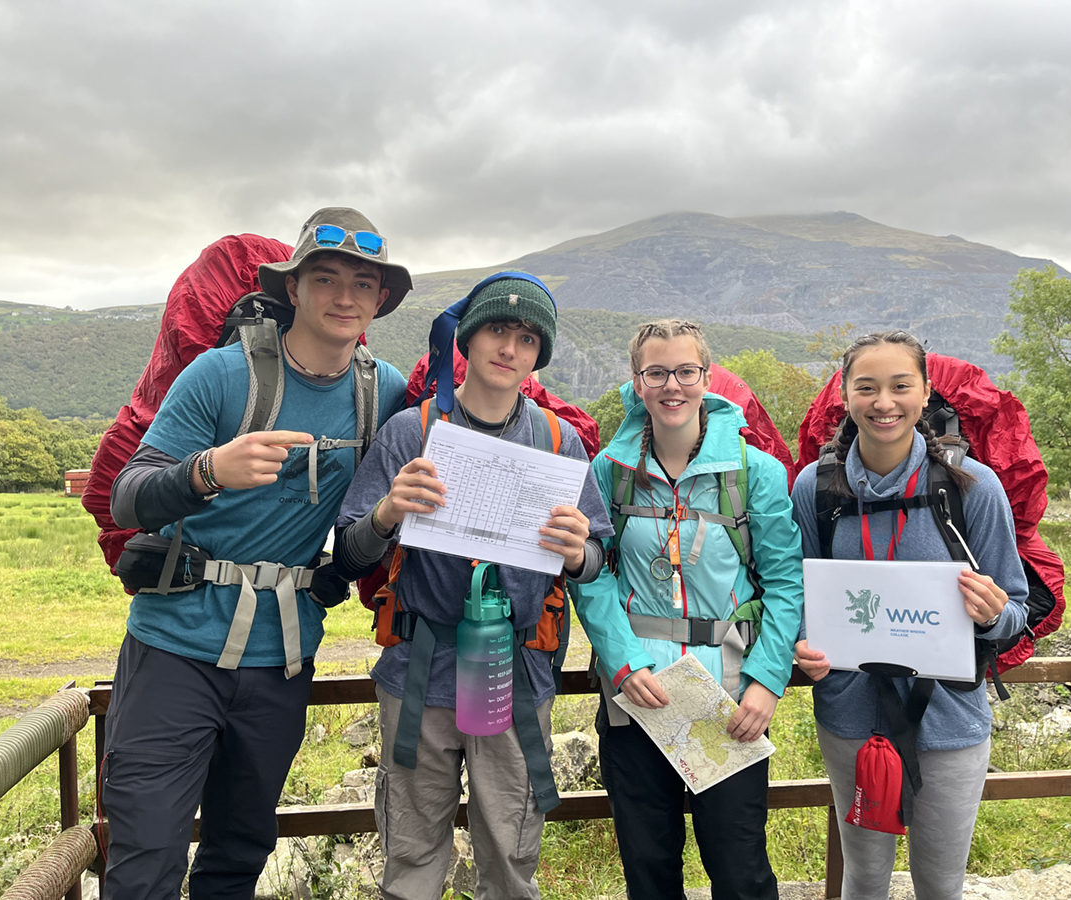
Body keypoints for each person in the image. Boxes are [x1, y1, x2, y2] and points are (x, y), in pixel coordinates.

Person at [103, 208, 411, 899]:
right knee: (145, 857)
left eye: (362, 285)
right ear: (292, 288)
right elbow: (128, 495)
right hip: (174, 652)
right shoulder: (221, 375)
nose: (342, 297)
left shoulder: (383, 393)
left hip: (280, 660)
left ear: (380, 301)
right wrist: (208, 471)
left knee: (239, 854)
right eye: (324, 278)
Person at [333, 272, 614, 900]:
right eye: (495, 329)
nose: (508, 348)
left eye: (525, 338)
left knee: (511, 859)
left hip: (515, 677)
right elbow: (348, 552)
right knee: (409, 857)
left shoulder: (558, 441)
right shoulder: (413, 431)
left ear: (538, 354)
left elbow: (597, 556)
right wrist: (386, 515)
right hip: (419, 672)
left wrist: (576, 555)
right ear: (467, 336)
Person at [570, 319, 804, 900]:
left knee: (740, 869)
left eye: (685, 371)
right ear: (637, 381)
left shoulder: (758, 474)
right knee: (648, 872)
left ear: (706, 377)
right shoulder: (608, 472)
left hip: (728, 700)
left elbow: (784, 582)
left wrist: (767, 681)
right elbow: (592, 574)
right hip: (636, 698)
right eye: (656, 372)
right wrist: (622, 663)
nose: (671, 386)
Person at [792, 331, 1029, 900]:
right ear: (844, 396)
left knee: (941, 885)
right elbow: (798, 598)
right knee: (864, 878)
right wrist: (802, 645)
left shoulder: (973, 487)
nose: (884, 402)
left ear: (925, 395)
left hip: (948, 723)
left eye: (901, 386)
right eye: (866, 387)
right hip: (851, 717)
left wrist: (994, 613)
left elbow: (1017, 610)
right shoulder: (816, 488)